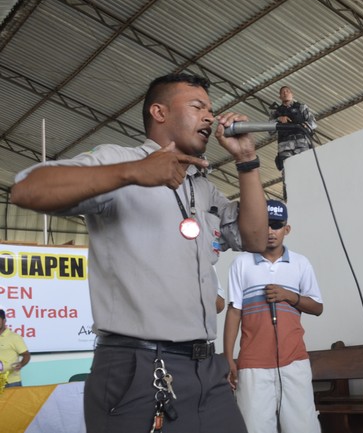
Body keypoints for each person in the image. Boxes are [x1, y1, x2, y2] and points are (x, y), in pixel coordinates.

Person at [10, 73, 268, 433]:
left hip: (207, 370)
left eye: (211, 109)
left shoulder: (204, 189)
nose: (210, 117)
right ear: (159, 112)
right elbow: (25, 189)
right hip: (139, 366)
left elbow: (256, 239)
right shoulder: (119, 159)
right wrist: (133, 172)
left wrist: (248, 162)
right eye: (197, 107)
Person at [224, 199, 323, 433]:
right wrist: (229, 357)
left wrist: (289, 295)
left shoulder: (300, 263)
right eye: (265, 225)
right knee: (254, 427)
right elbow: (234, 311)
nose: (270, 232)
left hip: (294, 360)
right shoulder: (241, 263)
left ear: (286, 229)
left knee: (302, 427)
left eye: (276, 226)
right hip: (253, 364)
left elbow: (317, 307)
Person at [269, 86, 317, 172]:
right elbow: (270, 130)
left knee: (308, 169)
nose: (285, 93)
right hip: (285, 147)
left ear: (292, 94)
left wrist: (305, 125)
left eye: (287, 91)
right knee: (288, 172)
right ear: (279, 97)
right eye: (282, 92)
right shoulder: (276, 112)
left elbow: (313, 123)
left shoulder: (301, 107)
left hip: (302, 144)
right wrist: (278, 119)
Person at [0, 309, 31, 388]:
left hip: (11, 382)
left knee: (16, 401)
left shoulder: (14, 337)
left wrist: (21, 364)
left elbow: (26, 355)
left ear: (4, 321)